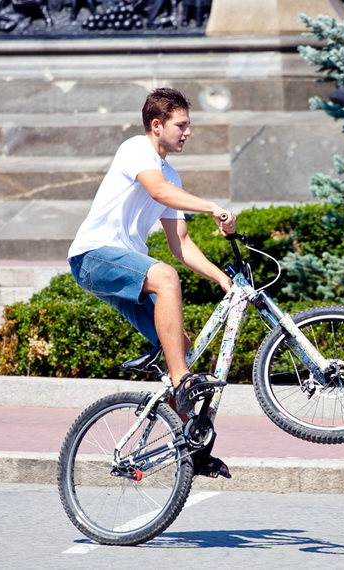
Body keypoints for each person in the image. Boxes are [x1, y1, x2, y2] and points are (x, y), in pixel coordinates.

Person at [67, 87, 235, 478]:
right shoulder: (135, 150)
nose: (188, 132)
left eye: (188, 125)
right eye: (182, 125)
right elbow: (157, 191)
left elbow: (181, 244)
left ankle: (188, 445)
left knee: (180, 346)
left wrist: (221, 278)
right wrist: (212, 206)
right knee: (165, 277)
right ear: (157, 125)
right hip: (93, 256)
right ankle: (180, 380)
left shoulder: (171, 175)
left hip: (123, 269)